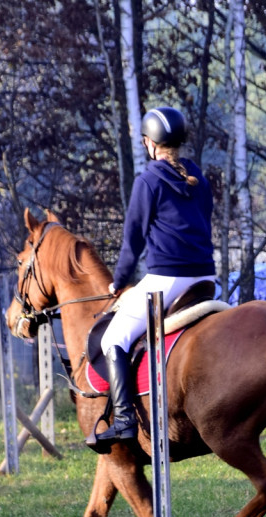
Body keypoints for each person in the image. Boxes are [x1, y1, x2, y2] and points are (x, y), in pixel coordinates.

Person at [91, 106, 216, 450]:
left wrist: (118, 280)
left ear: (149, 143)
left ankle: (124, 420)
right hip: (206, 277)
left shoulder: (148, 181)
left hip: (167, 280)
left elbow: (133, 239)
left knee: (113, 338)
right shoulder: (198, 178)